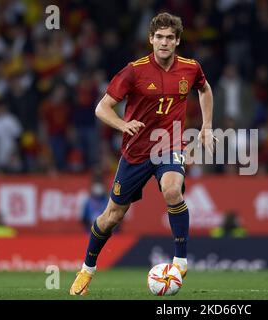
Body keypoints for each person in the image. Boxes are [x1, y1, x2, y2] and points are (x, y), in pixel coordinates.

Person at [70, 12, 215, 295]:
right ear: (151, 39)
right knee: (112, 216)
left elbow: (205, 89)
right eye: (159, 37)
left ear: (177, 41)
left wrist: (207, 126)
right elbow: (102, 108)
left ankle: (180, 260)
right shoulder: (133, 71)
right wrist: (123, 125)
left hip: (168, 145)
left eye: (170, 38)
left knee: (173, 190)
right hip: (135, 153)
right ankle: (87, 269)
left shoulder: (190, 68)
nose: (164, 42)